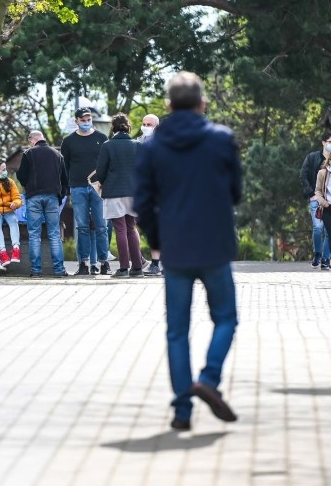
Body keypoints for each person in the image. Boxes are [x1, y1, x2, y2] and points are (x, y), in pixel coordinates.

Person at [134, 72, 242, 430]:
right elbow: (236, 193)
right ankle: (208, 380)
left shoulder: (152, 147)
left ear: (167, 105)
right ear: (202, 103)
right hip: (214, 243)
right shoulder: (221, 140)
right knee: (225, 317)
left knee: (176, 330)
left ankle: (182, 411)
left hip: (175, 246)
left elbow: (143, 203)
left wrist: (156, 240)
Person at [61, 107, 110, 276]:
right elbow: (65, 166)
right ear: (76, 121)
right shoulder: (68, 141)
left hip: (98, 187)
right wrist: (67, 187)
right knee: (82, 227)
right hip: (77, 187)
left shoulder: (102, 138)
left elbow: (107, 163)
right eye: (82, 120)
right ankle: (84, 263)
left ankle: (104, 263)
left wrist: (105, 183)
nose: (86, 122)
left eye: (88, 119)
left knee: (101, 226)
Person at [96, 113, 143, 277]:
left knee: (120, 229)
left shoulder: (107, 145)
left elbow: (101, 171)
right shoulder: (137, 145)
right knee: (131, 228)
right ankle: (137, 267)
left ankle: (123, 268)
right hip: (134, 191)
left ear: (113, 128)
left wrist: (102, 182)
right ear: (128, 127)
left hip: (114, 192)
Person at [17, 131, 69, 277]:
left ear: (32, 140)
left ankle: (36, 270)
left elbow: (21, 176)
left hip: (34, 197)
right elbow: (65, 179)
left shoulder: (29, 154)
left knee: (34, 234)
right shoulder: (57, 155)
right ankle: (59, 270)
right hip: (52, 197)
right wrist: (60, 196)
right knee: (54, 234)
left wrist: (29, 186)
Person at [300, 132, 331, 270]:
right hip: (316, 199)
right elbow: (303, 175)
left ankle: (325, 259)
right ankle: (317, 253)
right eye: (330, 142)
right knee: (317, 228)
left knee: (329, 231)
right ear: (323, 142)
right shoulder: (312, 157)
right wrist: (311, 193)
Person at [137, 113, 163, 276]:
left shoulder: (164, 143)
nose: (146, 127)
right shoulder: (139, 142)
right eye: (144, 124)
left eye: (149, 124)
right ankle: (155, 263)